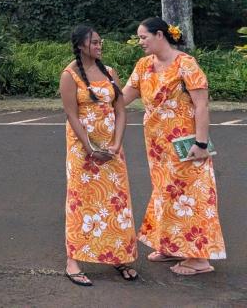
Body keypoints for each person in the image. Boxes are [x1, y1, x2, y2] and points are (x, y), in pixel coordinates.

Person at [123, 17, 226, 276]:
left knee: (191, 198)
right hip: (158, 147)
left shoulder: (185, 64)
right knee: (165, 193)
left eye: (143, 37)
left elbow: (201, 105)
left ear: (160, 35)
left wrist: (201, 143)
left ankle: (199, 259)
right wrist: (97, 95)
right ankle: (169, 245)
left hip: (187, 145)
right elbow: (124, 97)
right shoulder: (144, 65)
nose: (140, 42)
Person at [60, 25, 138, 287]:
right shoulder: (70, 75)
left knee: (115, 202)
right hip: (83, 149)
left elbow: (121, 110)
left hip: (111, 147)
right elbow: (71, 114)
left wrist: (115, 145)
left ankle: (117, 255)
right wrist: (91, 149)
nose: (99, 46)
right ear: (81, 45)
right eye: (94, 42)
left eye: (100, 42)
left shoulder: (110, 72)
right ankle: (73, 261)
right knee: (82, 202)